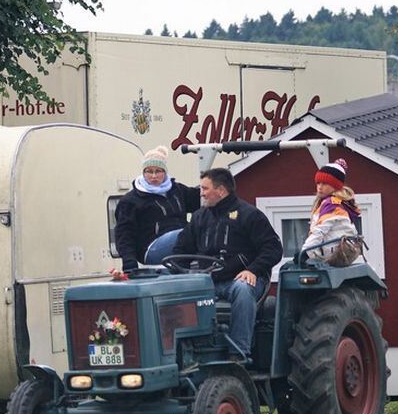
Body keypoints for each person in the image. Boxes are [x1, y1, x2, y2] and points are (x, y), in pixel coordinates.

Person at [173, 167, 282, 359]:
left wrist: (253, 270)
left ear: (221, 191)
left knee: (242, 289)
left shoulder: (250, 215)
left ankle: (238, 352)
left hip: (240, 279)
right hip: (207, 281)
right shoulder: (199, 217)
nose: (202, 193)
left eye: (205, 188)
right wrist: (179, 274)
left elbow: (273, 249)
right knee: (174, 290)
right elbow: (181, 251)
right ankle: (184, 351)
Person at [114, 145, 200, 273]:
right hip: (151, 247)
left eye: (158, 171)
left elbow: (204, 199)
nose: (153, 176)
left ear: (165, 172)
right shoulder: (130, 200)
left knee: (204, 227)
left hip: (180, 240)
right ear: (143, 172)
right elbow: (124, 233)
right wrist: (129, 263)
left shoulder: (177, 190)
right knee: (187, 233)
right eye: (149, 171)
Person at [300, 158, 361, 266]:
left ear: (335, 186)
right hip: (333, 253)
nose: (320, 187)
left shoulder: (332, 205)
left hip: (332, 254)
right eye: (318, 183)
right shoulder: (335, 203)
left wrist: (305, 252)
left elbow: (320, 230)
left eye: (324, 184)